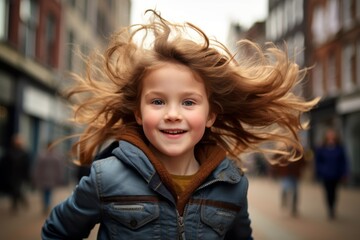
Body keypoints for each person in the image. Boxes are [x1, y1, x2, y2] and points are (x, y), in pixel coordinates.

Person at [42, 10, 318, 239]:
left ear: (211, 115)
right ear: (138, 113)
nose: (173, 114)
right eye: (158, 102)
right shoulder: (105, 178)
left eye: (188, 102)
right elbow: (57, 233)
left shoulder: (233, 186)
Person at [315, 128, 348, 220]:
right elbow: (318, 162)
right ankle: (330, 209)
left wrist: (344, 173)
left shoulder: (339, 148)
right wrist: (319, 172)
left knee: (334, 192)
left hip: (336, 174)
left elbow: (344, 161)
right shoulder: (321, 148)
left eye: (332, 134)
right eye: (329, 134)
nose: (331, 136)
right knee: (328, 192)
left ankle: (333, 207)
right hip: (326, 175)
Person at [32, 141, 65, 214]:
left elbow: (59, 168)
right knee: (47, 192)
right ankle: (47, 204)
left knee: (46, 192)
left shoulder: (43, 155)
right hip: (47, 178)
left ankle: (46, 205)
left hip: (47, 178)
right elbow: (38, 168)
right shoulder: (53, 156)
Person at [271, 150, 306, 217]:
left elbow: (303, 161)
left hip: (295, 173)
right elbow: (274, 161)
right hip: (285, 173)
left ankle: (294, 207)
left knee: (295, 191)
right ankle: (284, 199)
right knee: (286, 188)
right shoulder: (281, 150)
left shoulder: (298, 151)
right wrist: (276, 171)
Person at [1, 134, 30, 212]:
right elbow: (5, 164)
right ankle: (18, 202)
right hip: (11, 174)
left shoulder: (24, 153)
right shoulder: (9, 152)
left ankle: (17, 204)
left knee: (16, 189)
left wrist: (27, 176)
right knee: (14, 190)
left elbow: (26, 165)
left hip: (20, 175)